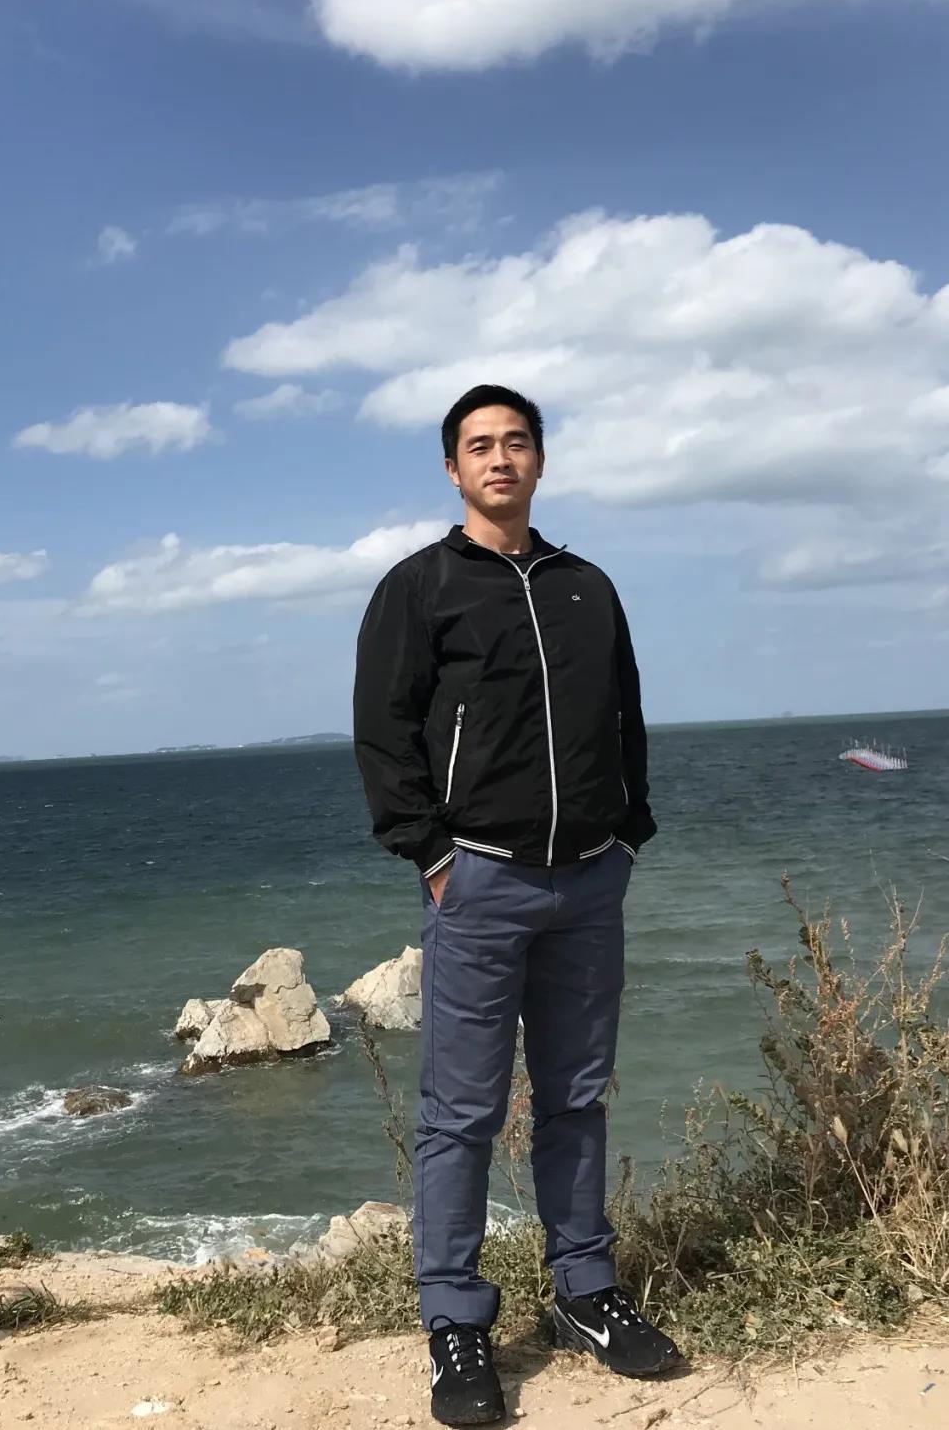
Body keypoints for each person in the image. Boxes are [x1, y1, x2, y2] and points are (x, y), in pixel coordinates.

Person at [353, 385, 680, 1426]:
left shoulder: (588, 586)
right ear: (453, 468)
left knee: (577, 1095)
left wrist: (628, 831)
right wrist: (431, 854)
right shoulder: (420, 586)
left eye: (517, 441)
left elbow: (626, 714)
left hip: (589, 879)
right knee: (462, 1111)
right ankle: (456, 1321)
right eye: (479, 445)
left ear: (540, 459)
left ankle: (585, 1290)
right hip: (480, 879)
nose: (500, 458)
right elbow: (383, 730)